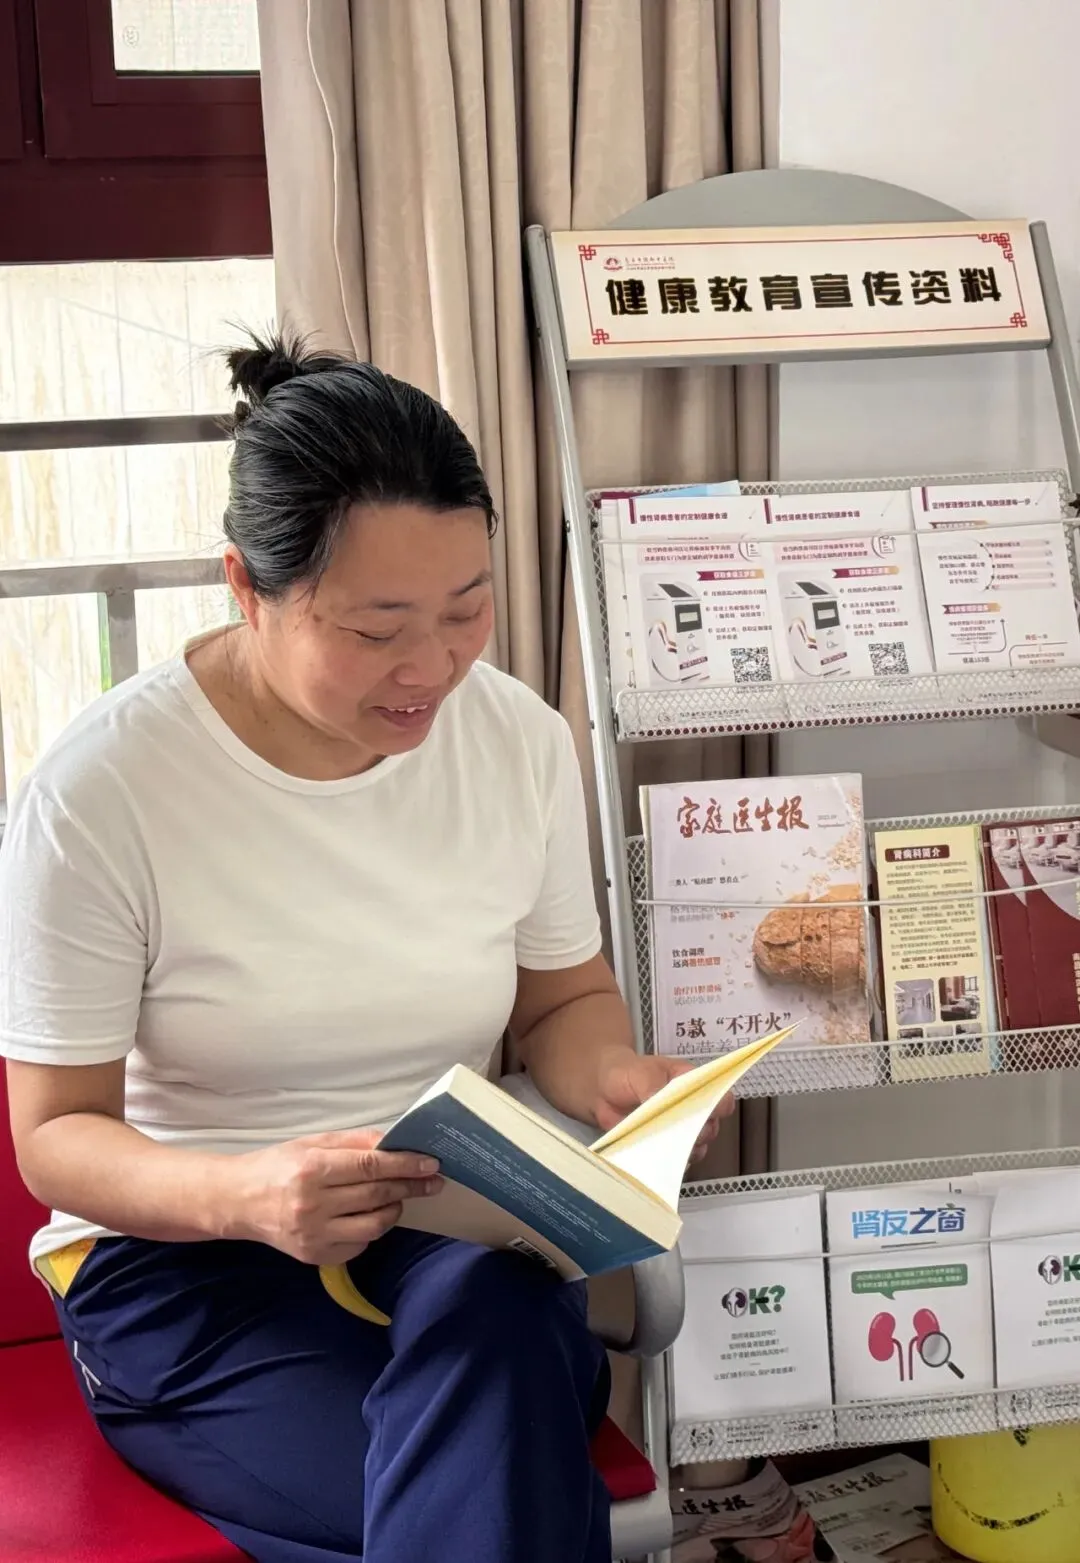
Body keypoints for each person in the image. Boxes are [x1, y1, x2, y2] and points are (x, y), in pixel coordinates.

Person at [0, 333, 727, 1563]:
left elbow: (562, 1001)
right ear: (246, 586)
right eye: (379, 627)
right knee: (490, 1481)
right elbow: (55, 1137)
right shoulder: (104, 794)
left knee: (496, 1351)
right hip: (192, 1266)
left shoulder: (515, 742)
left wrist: (617, 1084)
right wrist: (245, 1194)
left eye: (467, 608)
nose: (432, 667)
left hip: (455, 1237)